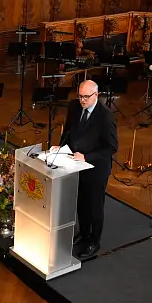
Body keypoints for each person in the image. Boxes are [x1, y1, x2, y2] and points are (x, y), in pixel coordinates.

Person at [59, 79, 118, 259]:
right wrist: (59, 148)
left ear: (96, 95)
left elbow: (111, 147)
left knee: (94, 206)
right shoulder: (75, 107)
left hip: (96, 169)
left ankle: (94, 241)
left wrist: (87, 157)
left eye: (86, 97)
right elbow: (68, 131)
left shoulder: (106, 117)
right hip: (76, 165)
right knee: (81, 203)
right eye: (80, 96)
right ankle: (84, 234)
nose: (82, 100)